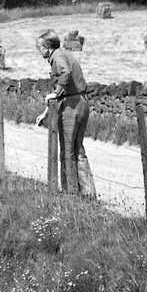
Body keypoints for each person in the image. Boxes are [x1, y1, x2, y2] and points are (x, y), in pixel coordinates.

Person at [36, 30, 95, 197]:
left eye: (40, 47)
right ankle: (88, 193)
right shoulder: (64, 54)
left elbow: (65, 74)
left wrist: (57, 93)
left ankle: (70, 193)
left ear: (47, 47)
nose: (39, 50)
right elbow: (58, 91)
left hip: (71, 105)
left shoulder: (57, 56)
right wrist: (46, 112)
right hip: (81, 101)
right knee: (78, 150)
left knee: (67, 151)